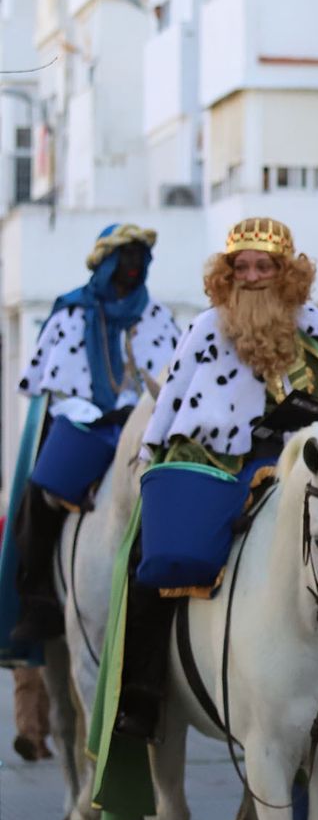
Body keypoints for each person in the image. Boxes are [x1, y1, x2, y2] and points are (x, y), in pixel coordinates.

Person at [109, 217, 318, 740]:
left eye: (264, 266)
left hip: (306, 461)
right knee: (154, 551)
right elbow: (171, 398)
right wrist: (148, 453)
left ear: (286, 273)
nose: (251, 277)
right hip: (216, 461)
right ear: (226, 273)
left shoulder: (317, 326)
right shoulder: (206, 326)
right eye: (241, 267)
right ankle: (141, 695)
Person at [7, 224, 179, 645]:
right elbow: (54, 387)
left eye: (140, 258)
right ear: (105, 263)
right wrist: (97, 415)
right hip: (84, 422)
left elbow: (172, 382)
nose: (134, 266)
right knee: (40, 491)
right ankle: (39, 598)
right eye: (125, 257)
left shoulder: (157, 317)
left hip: (144, 425)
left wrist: (137, 413)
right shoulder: (70, 314)